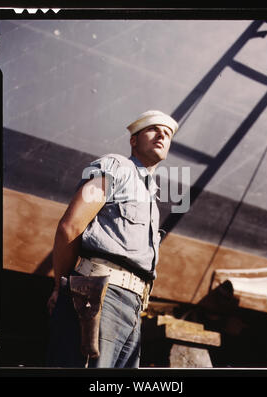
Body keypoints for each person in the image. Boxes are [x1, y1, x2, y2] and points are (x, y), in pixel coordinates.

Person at [46, 110, 179, 368]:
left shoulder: (151, 195)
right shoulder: (116, 167)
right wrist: (60, 287)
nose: (162, 134)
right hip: (101, 297)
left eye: (168, 133)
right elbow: (70, 226)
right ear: (133, 141)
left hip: (132, 308)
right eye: (153, 129)